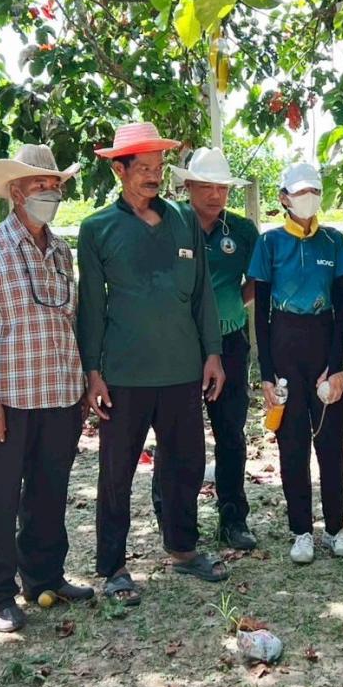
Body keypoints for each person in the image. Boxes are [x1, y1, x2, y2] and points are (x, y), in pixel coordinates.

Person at [77, 123, 229, 606]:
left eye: (158, 167)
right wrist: (93, 371)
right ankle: (113, 565)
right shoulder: (98, 228)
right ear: (119, 171)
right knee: (116, 471)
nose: (152, 176)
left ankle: (183, 548)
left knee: (185, 463)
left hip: (183, 368)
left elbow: (203, 294)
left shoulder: (184, 221)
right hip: (124, 373)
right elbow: (91, 307)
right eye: (142, 167)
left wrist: (212, 353)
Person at [0, 144, 95, 633]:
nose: (50, 193)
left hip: (60, 391)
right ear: (16, 192)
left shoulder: (60, 251)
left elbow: (69, 321)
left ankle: (44, 577)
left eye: (54, 185)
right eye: (40, 185)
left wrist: (81, 385)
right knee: (0, 497)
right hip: (10, 398)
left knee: (49, 492)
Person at [151, 147, 260, 550]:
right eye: (206, 187)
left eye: (222, 188)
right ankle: (172, 518)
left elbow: (257, 279)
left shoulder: (242, 231)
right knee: (175, 433)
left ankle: (233, 519)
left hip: (229, 341)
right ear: (189, 186)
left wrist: (229, 305)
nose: (215, 195)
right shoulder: (167, 223)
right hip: (178, 344)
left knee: (230, 430)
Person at [248, 163, 343, 565]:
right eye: (299, 192)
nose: (307, 198)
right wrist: (266, 372)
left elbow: (342, 308)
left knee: (331, 443)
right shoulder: (270, 243)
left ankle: (335, 528)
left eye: (314, 191)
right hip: (284, 345)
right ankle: (301, 531)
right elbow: (261, 313)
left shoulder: (333, 241)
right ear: (284, 198)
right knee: (291, 443)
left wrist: (336, 364)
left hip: (323, 343)